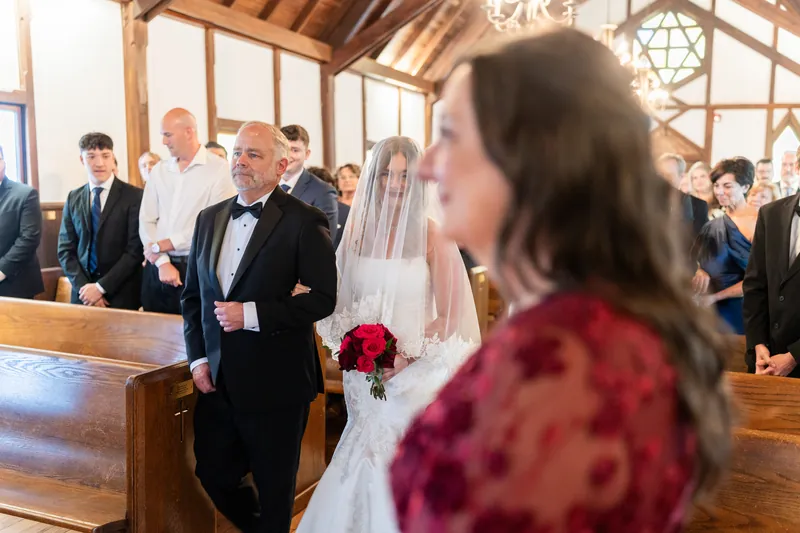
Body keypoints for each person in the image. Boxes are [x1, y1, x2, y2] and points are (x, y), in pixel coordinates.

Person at [390, 28, 732, 533]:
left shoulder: (561, 359)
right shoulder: (594, 316)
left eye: (451, 135)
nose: (426, 166)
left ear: (535, 158)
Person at [297, 137, 481, 533]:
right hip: (363, 372)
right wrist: (354, 347)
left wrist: (405, 357)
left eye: (404, 175)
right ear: (373, 178)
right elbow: (341, 302)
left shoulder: (433, 234)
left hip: (417, 371)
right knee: (360, 449)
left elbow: (449, 316)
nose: (395, 184)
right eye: (386, 175)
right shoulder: (359, 231)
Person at [182, 121, 337, 533]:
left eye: (254, 154)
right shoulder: (208, 218)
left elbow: (323, 297)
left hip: (278, 379)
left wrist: (250, 314)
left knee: (275, 491)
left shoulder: (305, 220)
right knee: (212, 473)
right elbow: (192, 298)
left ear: (282, 164)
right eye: (237, 153)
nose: (241, 162)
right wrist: (197, 358)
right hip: (218, 379)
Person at [139, 108, 236, 314]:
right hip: (157, 267)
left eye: (168, 135)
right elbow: (146, 219)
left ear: (189, 132)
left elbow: (216, 225)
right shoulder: (159, 170)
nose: (164, 142)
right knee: (151, 337)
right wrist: (162, 260)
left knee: (193, 337)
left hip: (195, 266)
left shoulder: (219, 169)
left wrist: (167, 243)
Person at [58, 133, 143, 309]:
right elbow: (65, 250)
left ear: (113, 158)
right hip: (82, 296)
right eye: (91, 157)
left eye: (105, 156)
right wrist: (85, 289)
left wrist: (100, 288)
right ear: (82, 159)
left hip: (120, 293)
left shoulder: (134, 196)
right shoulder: (74, 197)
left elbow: (135, 250)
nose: (99, 163)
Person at [743, 146, 800, 378]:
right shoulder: (771, 214)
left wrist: (794, 356)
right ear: (797, 166)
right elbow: (755, 285)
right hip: (766, 359)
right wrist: (758, 344)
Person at [694, 158, 756, 334]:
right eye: (716, 185)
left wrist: (715, 297)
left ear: (745, 187)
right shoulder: (712, 225)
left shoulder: (761, 223)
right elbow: (696, 259)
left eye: (727, 186)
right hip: (707, 311)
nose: (720, 191)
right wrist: (700, 270)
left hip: (742, 314)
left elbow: (761, 279)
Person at [279, 125, 338, 241]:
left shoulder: (323, 192)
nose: (288, 155)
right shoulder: (263, 185)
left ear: (307, 154)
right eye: (283, 149)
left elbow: (323, 242)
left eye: (295, 150)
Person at [0, 144, 44, 299]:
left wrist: (2, 270)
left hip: (14, 284)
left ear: (3, 162)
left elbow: (29, 238)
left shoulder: (25, 194)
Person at [657, 152, 709, 240]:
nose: (663, 180)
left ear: (681, 177)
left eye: (669, 176)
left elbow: (701, 243)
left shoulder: (698, 206)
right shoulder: (646, 202)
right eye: (660, 175)